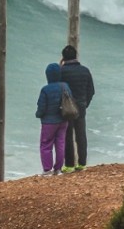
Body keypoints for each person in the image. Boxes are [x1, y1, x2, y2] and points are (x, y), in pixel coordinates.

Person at [59, 45, 95, 173]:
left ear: (63, 57)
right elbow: (91, 90)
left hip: (66, 108)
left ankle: (69, 165)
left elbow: (59, 90)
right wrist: (85, 103)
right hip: (81, 106)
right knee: (81, 135)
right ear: (76, 56)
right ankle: (82, 164)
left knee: (67, 136)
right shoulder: (85, 70)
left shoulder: (61, 71)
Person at [36, 63, 71, 176]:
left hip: (49, 122)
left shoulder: (45, 89)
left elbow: (42, 107)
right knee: (60, 143)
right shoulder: (65, 86)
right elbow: (70, 99)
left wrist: (38, 114)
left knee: (46, 144)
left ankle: (47, 170)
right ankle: (58, 169)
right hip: (63, 119)